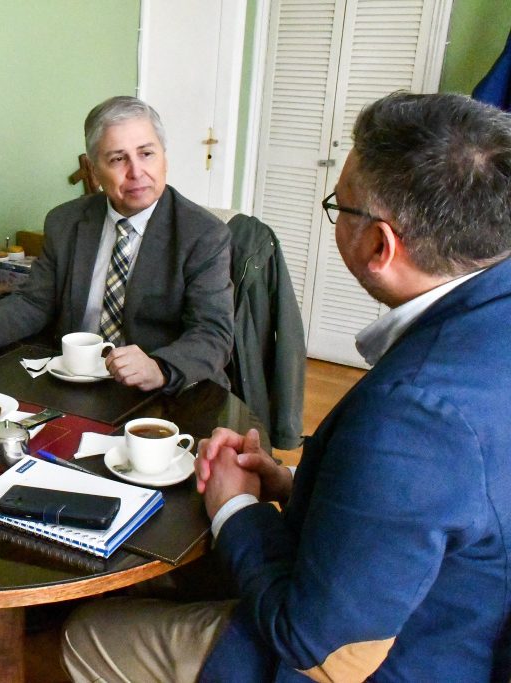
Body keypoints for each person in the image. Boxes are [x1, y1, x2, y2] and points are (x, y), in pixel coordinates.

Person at [61, 91, 511, 681]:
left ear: (380, 245)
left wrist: (235, 507)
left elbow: (310, 642)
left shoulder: (413, 412)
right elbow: (430, 509)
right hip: (448, 609)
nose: (134, 170)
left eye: (339, 206)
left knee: (86, 635)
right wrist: (294, 483)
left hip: (396, 657)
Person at [0, 96, 233, 393]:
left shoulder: (203, 234)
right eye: (118, 159)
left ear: (164, 158)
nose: (136, 172)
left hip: (164, 393)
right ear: (94, 170)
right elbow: (35, 302)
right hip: (74, 382)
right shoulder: (65, 222)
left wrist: (160, 368)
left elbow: (213, 332)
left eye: (146, 154)